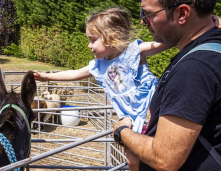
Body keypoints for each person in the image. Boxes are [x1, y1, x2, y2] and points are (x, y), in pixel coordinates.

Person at [112, 0, 221, 171]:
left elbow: (166, 157)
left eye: (147, 14)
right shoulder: (212, 49)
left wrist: (121, 132)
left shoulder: (194, 68)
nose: (142, 22)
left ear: (182, 13)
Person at [34, 7, 174, 134]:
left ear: (112, 37)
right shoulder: (98, 66)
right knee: (133, 158)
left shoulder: (135, 52)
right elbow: (74, 74)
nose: (89, 45)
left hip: (152, 108)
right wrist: (46, 77)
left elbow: (165, 43)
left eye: (93, 40)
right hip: (130, 116)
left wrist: (186, 34)